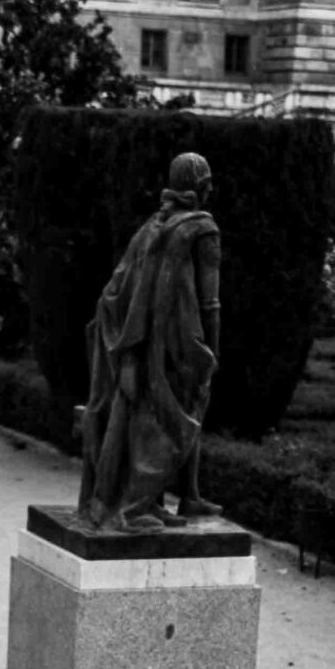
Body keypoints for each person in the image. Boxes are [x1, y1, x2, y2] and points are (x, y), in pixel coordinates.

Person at [76, 150, 222, 531]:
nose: (210, 190)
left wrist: (126, 335)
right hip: (176, 343)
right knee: (177, 414)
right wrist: (212, 348)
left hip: (142, 340)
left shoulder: (151, 227)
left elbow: (117, 287)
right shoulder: (202, 229)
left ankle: (177, 498)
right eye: (208, 183)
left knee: (154, 414)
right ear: (200, 186)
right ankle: (139, 504)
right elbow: (210, 302)